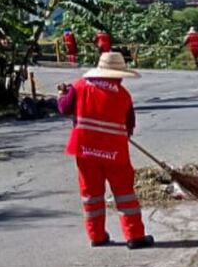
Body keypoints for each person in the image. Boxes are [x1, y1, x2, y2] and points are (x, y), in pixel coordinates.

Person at [57, 52, 155, 250]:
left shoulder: (78, 87)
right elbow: (130, 126)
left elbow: (64, 108)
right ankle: (135, 235)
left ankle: (96, 236)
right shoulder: (124, 96)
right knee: (125, 194)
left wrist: (62, 95)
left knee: (91, 195)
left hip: (86, 152)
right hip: (115, 154)